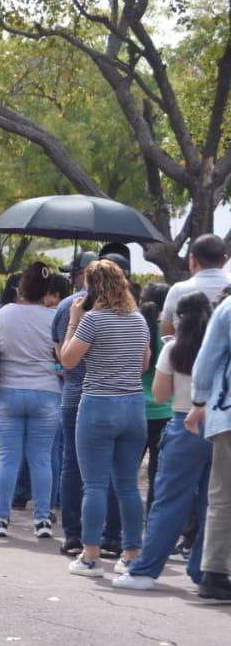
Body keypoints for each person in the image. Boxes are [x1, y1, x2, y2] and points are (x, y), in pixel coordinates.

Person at [114, 291, 214, 591]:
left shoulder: (173, 350)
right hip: (220, 428)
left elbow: (159, 395)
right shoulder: (218, 348)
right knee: (215, 505)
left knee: (169, 502)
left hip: (184, 424)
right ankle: (206, 572)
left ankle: (145, 571)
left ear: (179, 318)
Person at [58, 260, 151, 578]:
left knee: (94, 485)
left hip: (98, 404)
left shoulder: (92, 321)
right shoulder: (138, 320)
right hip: (133, 406)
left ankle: (90, 556)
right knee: (127, 486)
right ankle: (132, 553)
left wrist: (73, 321)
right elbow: (143, 365)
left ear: (92, 287)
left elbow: (68, 360)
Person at [0, 263, 62, 539]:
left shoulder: (4, 313)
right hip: (46, 393)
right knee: (41, 459)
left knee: (8, 459)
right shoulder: (54, 317)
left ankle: (0, 519)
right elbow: (61, 357)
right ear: (46, 292)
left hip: (7, 392)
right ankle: (42, 520)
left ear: (20, 288)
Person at [185, 282, 231, 602]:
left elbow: (206, 360)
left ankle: (214, 573)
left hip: (227, 413)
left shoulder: (227, 310)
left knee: (223, 495)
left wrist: (199, 399)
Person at [138, 282, 173, 516]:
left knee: (123, 475)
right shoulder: (171, 338)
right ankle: (153, 526)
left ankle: (118, 526)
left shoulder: (137, 329)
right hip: (165, 412)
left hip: (135, 410)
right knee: (158, 476)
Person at [161, 233, 228, 336]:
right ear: (224, 260)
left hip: (187, 351)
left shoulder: (177, 290)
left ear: (192, 260)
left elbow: (166, 337)